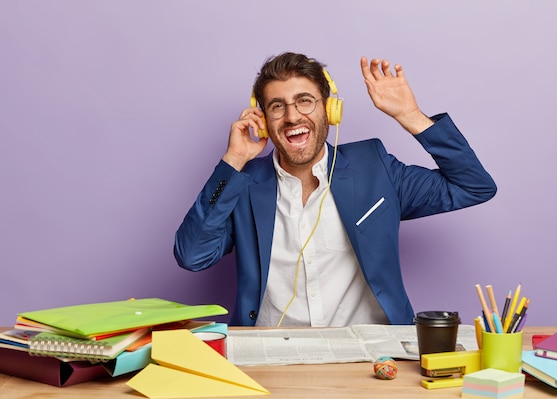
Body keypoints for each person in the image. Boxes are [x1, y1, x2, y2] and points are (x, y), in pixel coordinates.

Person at [174, 52, 496, 327]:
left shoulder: (374, 167)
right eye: (277, 106)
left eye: (304, 101)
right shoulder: (242, 184)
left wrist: (411, 117)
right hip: (270, 358)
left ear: (329, 109)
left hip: (370, 357)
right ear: (263, 119)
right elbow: (191, 255)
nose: (292, 116)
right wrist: (234, 159)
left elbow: (474, 186)